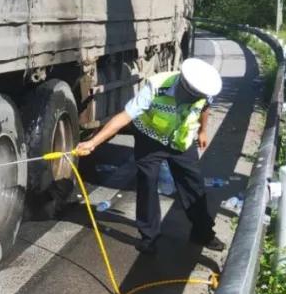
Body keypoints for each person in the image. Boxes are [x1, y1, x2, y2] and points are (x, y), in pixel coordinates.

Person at [75, 57, 226, 255]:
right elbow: (124, 117)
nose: (191, 100)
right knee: (147, 182)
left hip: (180, 141)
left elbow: (205, 108)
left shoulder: (204, 92)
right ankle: (149, 236)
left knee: (193, 185)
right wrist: (93, 143)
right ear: (182, 84)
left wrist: (202, 131)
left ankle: (203, 233)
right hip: (150, 138)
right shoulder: (156, 86)